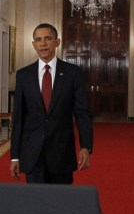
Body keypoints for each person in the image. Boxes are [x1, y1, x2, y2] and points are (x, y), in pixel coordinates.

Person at [9, 23, 93, 184]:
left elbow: (82, 113)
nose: (43, 44)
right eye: (38, 40)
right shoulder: (24, 75)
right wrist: (15, 156)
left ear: (57, 42)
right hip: (33, 153)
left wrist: (86, 146)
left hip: (62, 153)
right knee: (36, 204)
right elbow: (18, 118)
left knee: (61, 203)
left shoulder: (73, 73)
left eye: (48, 38)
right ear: (34, 44)